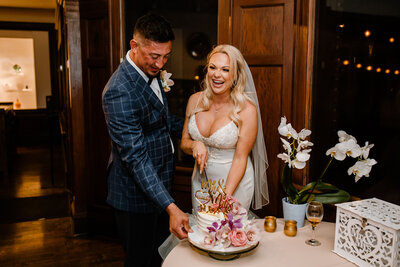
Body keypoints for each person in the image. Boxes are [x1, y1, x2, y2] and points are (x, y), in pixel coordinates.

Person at [102, 13, 191, 267]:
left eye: (166, 56)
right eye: (154, 56)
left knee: (159, 257)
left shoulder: (151, 73)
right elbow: (137, 158)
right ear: (134, 45)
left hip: (160, 187)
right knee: (140, 261)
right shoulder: (119, 91)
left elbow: (163, 122)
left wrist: (199, 130)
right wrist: (172, 207)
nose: (161, 64)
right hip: (134, 196)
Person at [180, 44, 269, 213]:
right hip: (201, 181)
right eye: (212, 68)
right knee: (203, 233)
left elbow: (240, 158)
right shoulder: (194, 100)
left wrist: (225, 197)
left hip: (234, 184)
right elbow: (184, 142)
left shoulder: (247, 110)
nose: (217, 74)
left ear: (235, 75)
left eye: (225, 70)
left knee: (228, 233)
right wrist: (194, 145)